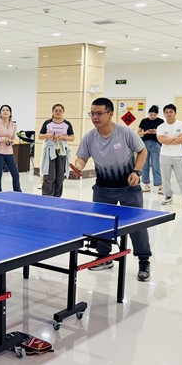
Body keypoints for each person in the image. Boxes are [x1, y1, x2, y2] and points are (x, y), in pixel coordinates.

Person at [72, 98, 152, 281]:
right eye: (92, 113)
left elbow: (142, 151)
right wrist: (79, 165)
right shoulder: (89, 137)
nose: (95, 117)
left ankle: (144, 260)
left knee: (137, 226)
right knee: (102, 225)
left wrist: (136, 171)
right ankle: (104, 257)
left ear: (110, 114)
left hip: (129, 188)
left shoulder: (125, 133)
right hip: (103, 189)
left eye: (99, 113)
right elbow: (81, 157)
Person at [39, 103, 74, 197]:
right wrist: (48, 135)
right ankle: (47, 196)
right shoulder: (47, 123)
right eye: (56, 111)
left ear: (63, 112)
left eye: (60, 111)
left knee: (59, 176)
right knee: (49, 175)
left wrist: (64, 137)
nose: (58, 112)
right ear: (53, 112)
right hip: (50, 151)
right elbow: (40, 136)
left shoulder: (67, 124)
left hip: (61, 151)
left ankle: (57, 196)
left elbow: (72, 138)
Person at [0, 104, 21, 193]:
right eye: (3, 110)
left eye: (7, 110)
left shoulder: (14, 125)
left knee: (15, 174)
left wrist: (12, 142)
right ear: (0, 113)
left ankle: (17, 192)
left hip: (9, 152)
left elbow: (14, 138)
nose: (5, 111)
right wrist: (3, 139)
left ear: (10, 113)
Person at [137, 105, 163, 194]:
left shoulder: (160, 121)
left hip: (156, 144)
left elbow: (164, 133)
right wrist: (145, 132)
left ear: (157, 114)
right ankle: (146, 184)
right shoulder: (144, 121)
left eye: (154, 115)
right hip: (145, 144)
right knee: (145, 165)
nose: (152, 116)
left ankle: (159, 186)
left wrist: (156, 131)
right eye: (151, 114)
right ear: (148, 113)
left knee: (156, 165)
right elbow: (138, 132)